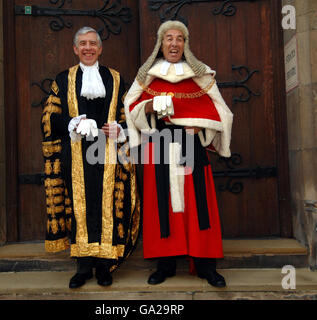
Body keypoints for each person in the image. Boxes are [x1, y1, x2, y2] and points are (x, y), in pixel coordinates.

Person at [124, 20, 233, 287]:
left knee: (199, 206)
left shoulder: (201, 74)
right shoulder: (148, 74)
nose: (174, 43)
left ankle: (206, 265)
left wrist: (201, 125)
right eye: (169, 38)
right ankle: (165, 265)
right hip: (160, 145)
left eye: (179, 39)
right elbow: (130, 105)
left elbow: (221, 111)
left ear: (186, 44)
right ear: (160, 44)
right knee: (161, 205)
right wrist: (148, 107)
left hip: (191, 146)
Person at [41, 26, 140, 289]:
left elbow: (130, 116)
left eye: (92, 43)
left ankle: (105, 266)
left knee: (106, 206)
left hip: (109, 155)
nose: (88, 48)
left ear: (100, 48)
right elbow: (49, 118)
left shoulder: (116, 79)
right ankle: (83, 267)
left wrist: (121, 130)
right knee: (79, 208)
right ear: (75, 49)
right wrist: (72, 123)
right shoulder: (62, 80)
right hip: (75, 156)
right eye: (82, 43)